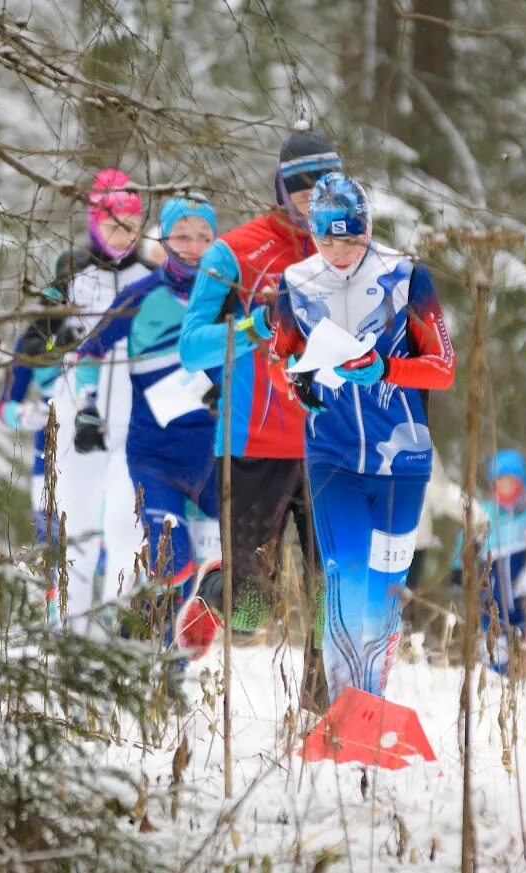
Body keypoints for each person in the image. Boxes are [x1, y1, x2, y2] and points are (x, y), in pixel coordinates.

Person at [264, 171, 456, 702]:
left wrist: (386, 370)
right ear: (312, 232)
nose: (339, 249)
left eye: (350, 236)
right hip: (333, 457)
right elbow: (281, 362)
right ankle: (349, 709)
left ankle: (372, 702)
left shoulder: (407, 276)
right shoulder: (296, 283)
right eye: (327, 236)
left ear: (367, 228)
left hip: (403, 463)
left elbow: (443, 368)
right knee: (345, 580)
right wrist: (297, 385)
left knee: (382, 592)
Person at [175, 124, 343, 702]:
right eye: (300, 188)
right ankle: (219, 590)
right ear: (280, 187)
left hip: (332, 444)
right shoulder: (235, 252)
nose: (312, 200)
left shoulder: (350, 253)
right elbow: (191, 346)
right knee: (251, 610)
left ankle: (321, 700)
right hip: (254, 443)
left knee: (334, 585)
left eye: (325, 187)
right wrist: (252, 326)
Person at [0, 168, 151, 632]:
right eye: (111, 224)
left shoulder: (151, 273)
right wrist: (14, 402)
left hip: (134, 417)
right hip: (75, 415)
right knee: (70, 530)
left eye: (129, 224)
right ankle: (62, 630)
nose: (121, 233)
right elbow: (31, 341)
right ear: (93, 222)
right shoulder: (72, 271)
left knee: (126, 529)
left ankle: (119, 628)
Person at [73, 197, 220, 640]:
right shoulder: (140, 296)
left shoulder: (227, 297)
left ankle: (163, 668)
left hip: (213, 457)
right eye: (182, 236)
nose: (193, 247)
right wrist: (87, 407)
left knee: (218, 575)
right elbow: (89, 351)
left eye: (204, 238)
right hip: (153, 456)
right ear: (164, 238)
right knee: (175, 556)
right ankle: (135, 635)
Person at [451, 449, 526, 675]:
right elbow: (464, 546)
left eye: (511, 483)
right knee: (493, 644)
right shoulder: (482, 516)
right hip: (491, 600)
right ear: (492, 484)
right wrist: (459, 571)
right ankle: (498, 682)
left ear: (522, 484)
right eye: (500, 482)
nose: (505, 489)